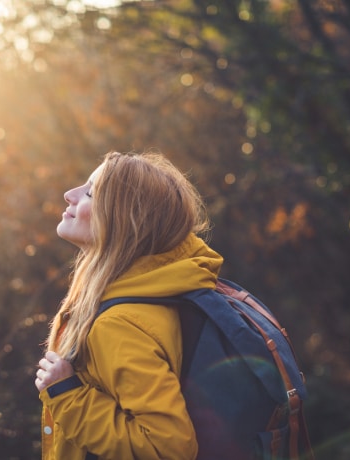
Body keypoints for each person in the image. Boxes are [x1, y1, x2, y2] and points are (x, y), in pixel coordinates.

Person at [35, 151, 223, 460]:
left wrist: (67, 396)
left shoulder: (118, 324)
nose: (69, 195)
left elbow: (169, 448)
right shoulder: (161, 286)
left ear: (122, 220)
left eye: (90, 193)